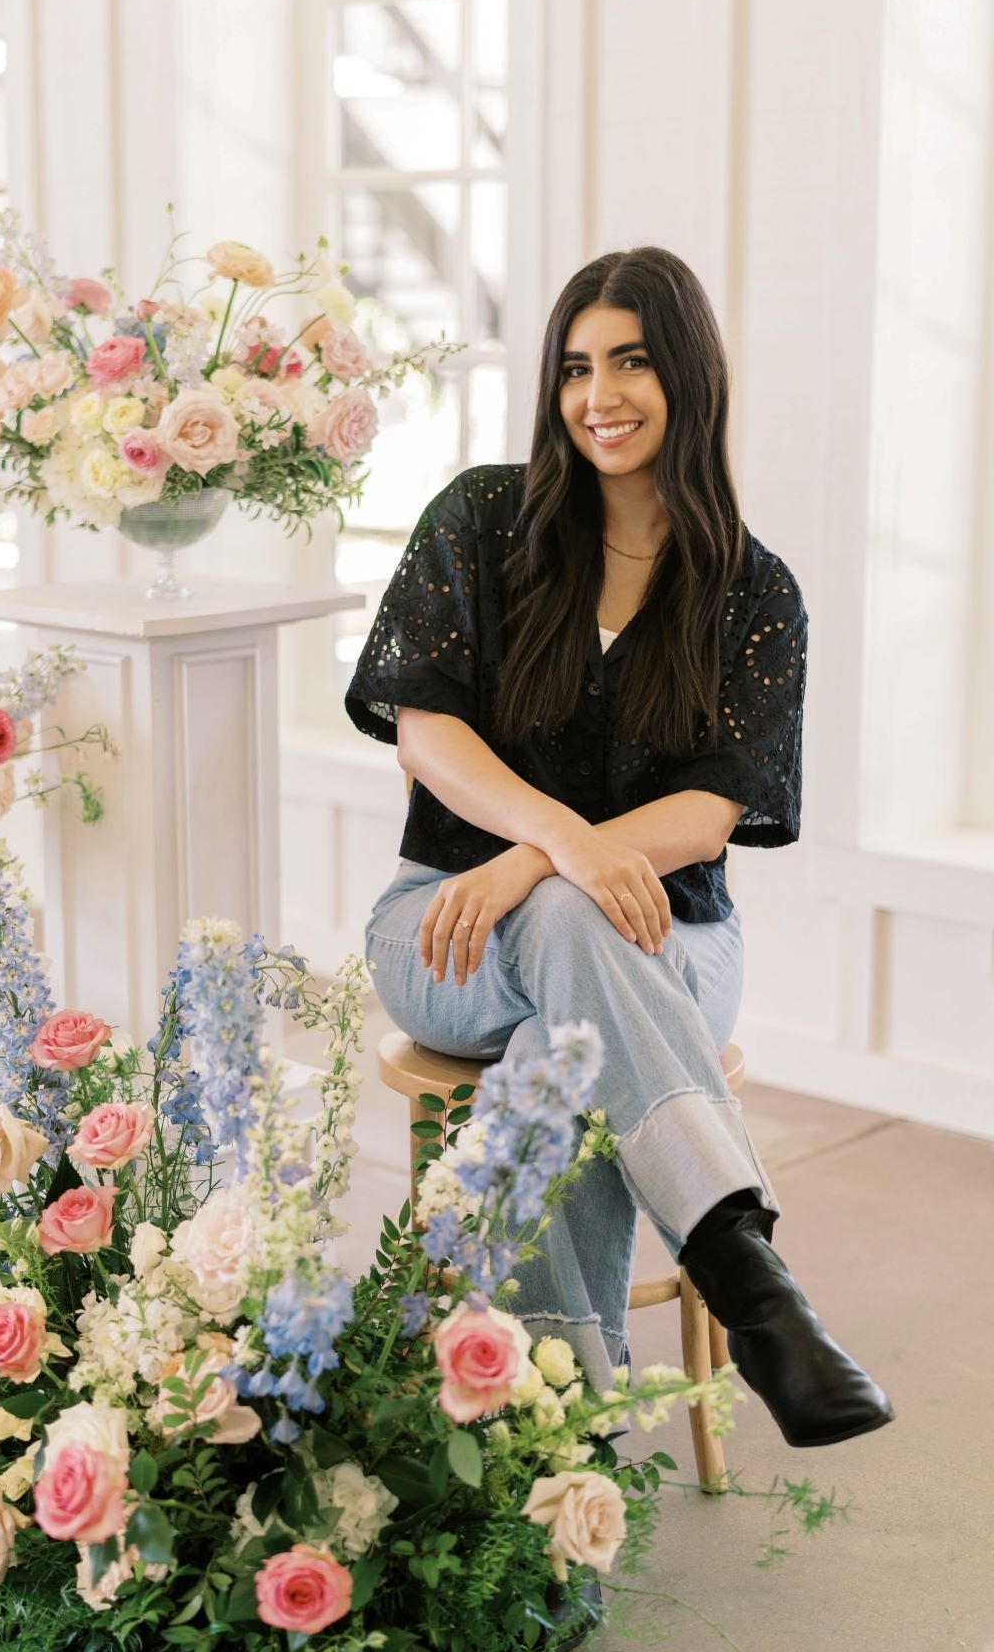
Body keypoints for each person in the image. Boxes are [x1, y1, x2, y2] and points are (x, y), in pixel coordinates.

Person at [344, 246, 893, 1449]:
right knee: (562, 920)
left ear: (686, 376)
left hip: (669, 943)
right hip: (443, 926)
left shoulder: (753, 592)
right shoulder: (482, 520)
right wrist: (546, 840)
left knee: (568, 1029)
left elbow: (706, 816)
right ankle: (750, 1280)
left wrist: (538, 868)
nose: (600, 394)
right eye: (576, 367)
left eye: (632, 361)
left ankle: (560, 1426)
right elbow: (423, 730)